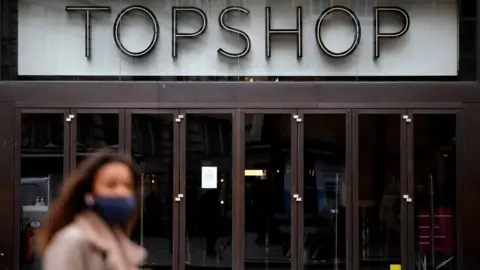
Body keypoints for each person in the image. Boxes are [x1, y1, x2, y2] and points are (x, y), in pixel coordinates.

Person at [37, 149, 146, 270]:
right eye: (111, 185)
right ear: (89, 194)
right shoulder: (72, 241)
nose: (121, 192)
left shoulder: (117, 241)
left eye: (127, 185)